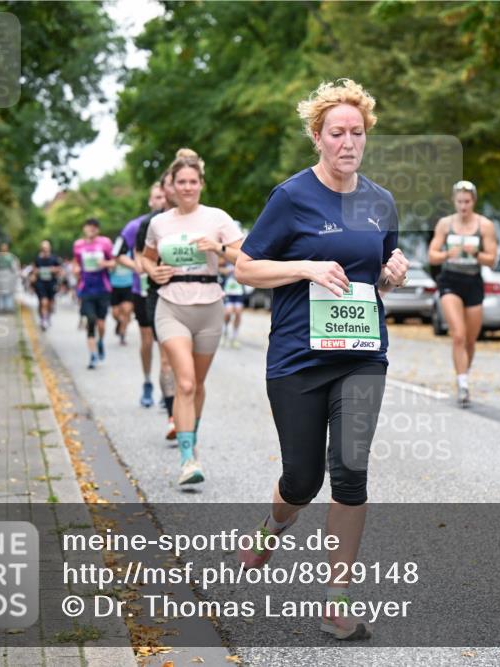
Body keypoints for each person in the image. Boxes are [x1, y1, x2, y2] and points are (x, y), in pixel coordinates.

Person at [235, 79, 408, 641]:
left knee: (350, 471)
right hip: (297, 358)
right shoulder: (290, 198)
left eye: (357, 133)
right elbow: (245, 268)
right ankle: (272, 526)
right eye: (337, 132)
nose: (348, 142)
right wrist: (306, 267)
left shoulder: (380, 201)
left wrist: (393, 270)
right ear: (318, 137)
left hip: (361, 354)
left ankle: (338, 598)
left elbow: (378, 268)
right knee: (302, 479)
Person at [141, 149, 244, 485]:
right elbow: (146, 258)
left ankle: (191, 441)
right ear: (171, 186)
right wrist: (153, 273)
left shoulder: (217, 218)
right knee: (184, 382)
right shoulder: (159, 223)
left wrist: (217, 249)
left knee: (197, 384)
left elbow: (246, 256)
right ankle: (187, 460)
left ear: (201, 183)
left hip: (210, 305)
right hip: (171, 305)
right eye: (180, 182)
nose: (186, 187)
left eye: (192, 181)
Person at [427, 180, 498, 407]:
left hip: (473, 282)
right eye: (459, 201)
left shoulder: (484, 225)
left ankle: (464, 373)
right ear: (454, 202)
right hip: (450, 280)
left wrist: (476, 253)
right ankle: (463, 383)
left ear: (473, 201)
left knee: (469, 339)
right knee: (458, 334)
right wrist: (449, 253)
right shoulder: (445, 224)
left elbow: (492, 259)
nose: (463, 206)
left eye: (467, 202)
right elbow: (432, 255)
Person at [136, 170, 179, 437]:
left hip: (193, 295)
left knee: (187, 362)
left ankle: (184, 407)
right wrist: (152, 271)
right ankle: (173, 415)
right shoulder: (150, 224)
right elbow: (142, 259)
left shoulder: (196, 219)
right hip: (159, 293)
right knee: (166, 357)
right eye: (164, 190)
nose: (167, 194)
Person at [118, 181, 167, 407]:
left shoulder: (176, 223)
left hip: (169, 291)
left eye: (163, 197)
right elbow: (117, 253)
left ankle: (168, 393)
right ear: (150, 201)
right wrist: (137, 264)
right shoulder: (135, 226)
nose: (160, 201)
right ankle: (147, 381)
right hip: (143, 290)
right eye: (156, 197)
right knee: (148, 340)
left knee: (167, 344)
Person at [72, 218, 115, 369]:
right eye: (88, 227)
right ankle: (93, 356)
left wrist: (105, 264)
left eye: (94, 227)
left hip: (103, 288)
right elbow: (76, 262)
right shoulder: (78, 245)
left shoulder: (105, 243)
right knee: (91, 320)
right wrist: (76, 269)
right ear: (84, 228)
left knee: (101, 324)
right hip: (86, 289)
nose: (91, 229)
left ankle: (100, 342)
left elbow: (114, 262)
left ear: (98, 230)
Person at [109, 227, 137, 345]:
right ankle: (120, 322)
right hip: (115, 286)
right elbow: (109, 269)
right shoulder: (112, 254)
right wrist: (113, 264)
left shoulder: (132, 252)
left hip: (129, 285)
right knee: (115, 314)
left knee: (126, 310)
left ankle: (122, 334)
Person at [31, 240, 63, 330]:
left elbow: (60, 269)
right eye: (43, 247)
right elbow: (34, 269)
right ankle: (43, 320)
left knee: (50, 303)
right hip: (41, 283)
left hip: (51, 283)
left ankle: (47, 317)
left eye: (46, 247)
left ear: (49, 248)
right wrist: (35, 273)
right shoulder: (37, 258)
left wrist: (53, 270)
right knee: (43, 302)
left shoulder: (54, 258)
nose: (45, 249)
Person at [220, 256, 246, 348]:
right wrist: (226, 271)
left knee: (238, 312)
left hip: (239, 291)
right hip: (228, 291)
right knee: (228, 312)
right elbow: (218, 267)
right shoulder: (227, 258)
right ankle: (224, 331)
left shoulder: (243, 258)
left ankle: (234, 337)